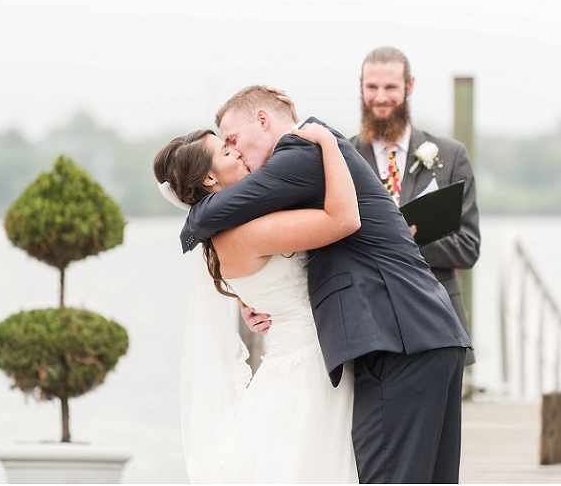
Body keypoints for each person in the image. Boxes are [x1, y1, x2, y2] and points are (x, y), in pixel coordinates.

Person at [180, 86, 472, 483]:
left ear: (263, 120)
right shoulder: (305, 153)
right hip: (420, 335)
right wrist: (256, 296)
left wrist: (191, 222)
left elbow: (222, 209)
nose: (235, 151)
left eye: (233, 139)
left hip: (401, 342)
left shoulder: (303, 152)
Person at [154, 121, 360, 482]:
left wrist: (247, 301)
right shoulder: (242, 232)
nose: (236, 151)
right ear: (209, 180)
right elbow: (341, 219)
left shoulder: (229, 228)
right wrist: (328, 141)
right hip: (313, 367)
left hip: (302, 356)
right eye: (225, 151)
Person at [350, 46, 480, 366]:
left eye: (391, 87)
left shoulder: (451, 156)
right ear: (361, 86)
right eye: (372, 87)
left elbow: (468, 248)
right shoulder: (342, 158)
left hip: (438, 325)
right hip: (366, 329)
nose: (380, 97)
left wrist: (410, 239)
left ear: (409, 86)